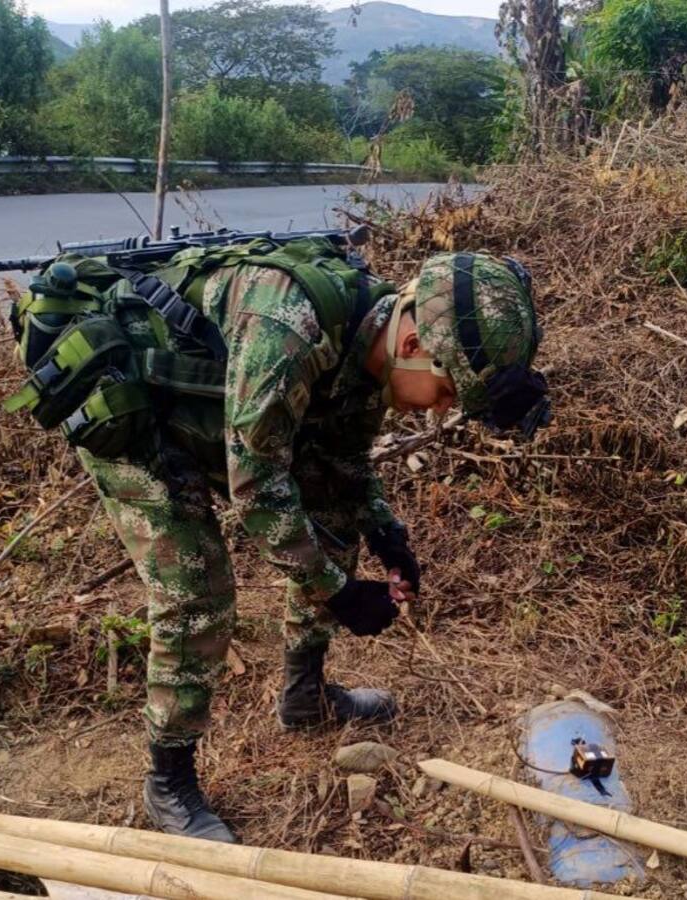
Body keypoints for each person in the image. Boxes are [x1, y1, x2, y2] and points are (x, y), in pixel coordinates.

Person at [73, 248, 548, 843]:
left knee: (334, 516)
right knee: (198, 589)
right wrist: (339, 591)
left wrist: (384, 531)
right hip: (142, 420)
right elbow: (258, 487)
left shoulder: (372, 338)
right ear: (411, 346)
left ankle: (304, 695)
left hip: (226, 417)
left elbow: (340, 459)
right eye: (448, 391)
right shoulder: (289, 328)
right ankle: (167, 778)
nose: (442, 409)